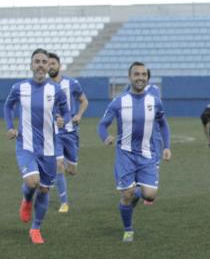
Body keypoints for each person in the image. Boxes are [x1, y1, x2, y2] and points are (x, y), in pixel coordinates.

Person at [97, 62, 171, 242]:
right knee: (126, 194)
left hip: (147, 154)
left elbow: (163, 124)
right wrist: (105, 137)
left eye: (143, 74)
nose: (140, 78)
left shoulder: (154, 101)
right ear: (130, 77)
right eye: (136, 74)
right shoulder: (119, 101)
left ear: (147, 77)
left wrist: (167, 146)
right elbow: (102, 124)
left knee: (150, 195)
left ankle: (137, 193)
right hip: (126, 154)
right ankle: (128, 229)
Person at [4, 48, 71, 244]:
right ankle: (26, 200)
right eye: (37, 61)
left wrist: (62, 120)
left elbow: (66, 112)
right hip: (25, 145)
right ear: (31, 65)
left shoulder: (55, 90)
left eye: (44, 62)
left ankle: (35, 228)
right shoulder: (19, 87)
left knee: (43, 190)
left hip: (49, 149)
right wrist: (10, 126)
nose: (41, 65)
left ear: (48, 66)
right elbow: (8, 106)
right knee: (33, 182)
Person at [47, 52, 88, 214]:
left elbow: (84, 100)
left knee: (72, 170)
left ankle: (60, 176)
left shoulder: (72, 83)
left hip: (71, 133)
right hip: (53, 133)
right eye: (48, 64)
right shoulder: (44, 87)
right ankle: (64, 202)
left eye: (53, 64)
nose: (50, 67)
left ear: (59, 65)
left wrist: (78, 115)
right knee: (58, 166)